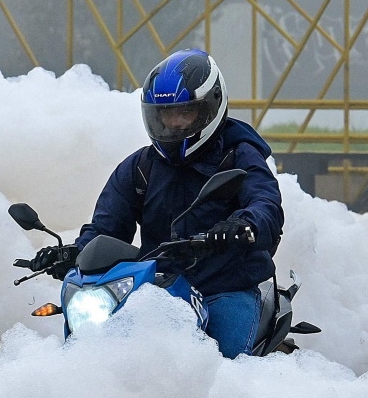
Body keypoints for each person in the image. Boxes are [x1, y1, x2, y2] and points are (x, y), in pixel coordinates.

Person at [30, 48, 284, 358]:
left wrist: (242, 226)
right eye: (164, 114)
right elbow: (106, 228)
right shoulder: (140, 168)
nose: (173, 123)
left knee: (224, 365)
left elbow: (265, 204)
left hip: (224, 288)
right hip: (157, 291)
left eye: (184, 113)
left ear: (211, 107)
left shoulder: (238, 157)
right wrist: (73, 253)